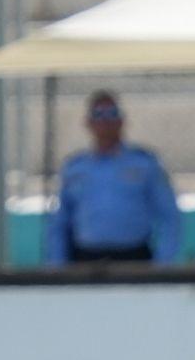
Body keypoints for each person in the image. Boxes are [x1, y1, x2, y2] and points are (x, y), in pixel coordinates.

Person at [46, 91, 182, 265]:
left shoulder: (144, 164)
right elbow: (59, 223)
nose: (105, 121)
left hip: (134, 259)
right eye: (98, 114)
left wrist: (162, 263)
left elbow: (169, 216)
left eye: (111, 113)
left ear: (122, 120)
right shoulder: (75, 168)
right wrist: (57, 265)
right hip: (85, 260)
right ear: (88, 123)